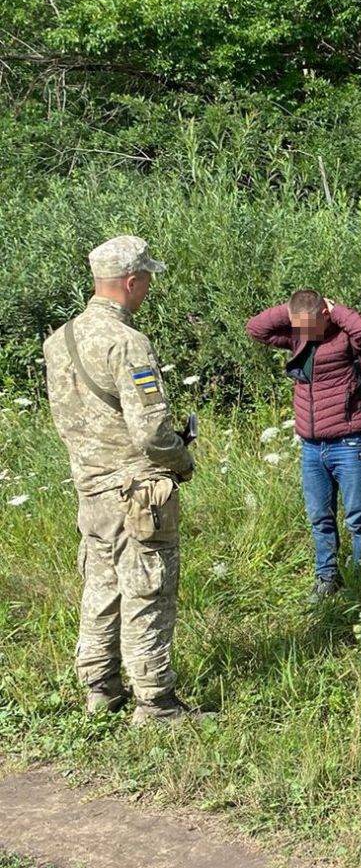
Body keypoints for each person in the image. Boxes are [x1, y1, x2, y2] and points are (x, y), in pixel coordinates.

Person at [42, 235, 199, 724]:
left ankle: (100, 689)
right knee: (148, 589)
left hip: (90, 487)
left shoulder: (59, 339)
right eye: (147, 279)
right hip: (138, 491)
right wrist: (181, 461)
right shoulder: (127, 342)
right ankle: (155, 703)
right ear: (131, 282)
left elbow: (67, 418)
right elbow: (151, 430)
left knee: (101, 586)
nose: (149, 287)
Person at [246, 289, 361, 600]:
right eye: (299, 326)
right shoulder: (299, 337)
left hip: (348, 443)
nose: (305, 333)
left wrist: (334, 309)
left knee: (358, 517)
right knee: (320, 517)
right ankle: (326, 578)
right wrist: (295, 309)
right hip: (311, 446)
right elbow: (256, 328)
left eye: (311, 324)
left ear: (325, 315)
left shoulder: (348, 336)